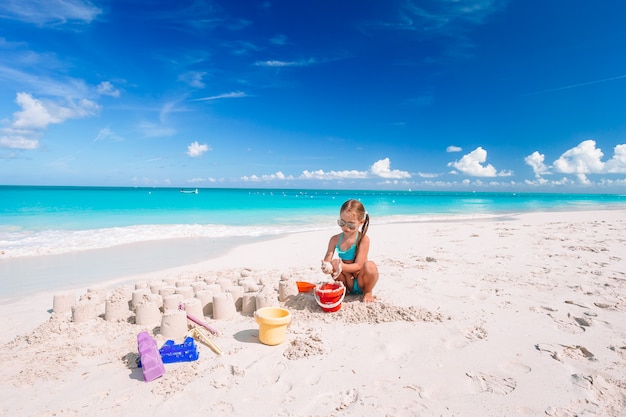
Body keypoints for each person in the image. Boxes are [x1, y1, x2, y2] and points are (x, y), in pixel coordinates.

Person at [321, 199, 379, 302]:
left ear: (361, 222)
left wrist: (341, 265)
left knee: (370, 266)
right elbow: (327, 258)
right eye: (342, 223)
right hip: (346, 282)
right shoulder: (334, 239)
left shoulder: (363, 239)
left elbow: (359, 265)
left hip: (361, 282)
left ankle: (368, 292)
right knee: (333, 263)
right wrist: (326, 266)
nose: (346, 227)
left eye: (351, 225)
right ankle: (345, 291)